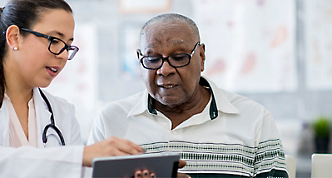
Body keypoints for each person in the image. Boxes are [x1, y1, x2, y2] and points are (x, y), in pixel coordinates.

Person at [0, 0, 145, 177]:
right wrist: (79, 156)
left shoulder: (61, 112)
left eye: (68, 45)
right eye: (54, 40)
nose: (61, 55)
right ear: (14, 37)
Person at [88, 13, 289, 178]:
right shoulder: (110, 120)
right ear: (140, 62)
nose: (164, 70)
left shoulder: (254, 119)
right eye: (152, 59)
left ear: (201, 57)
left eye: (179, 57)